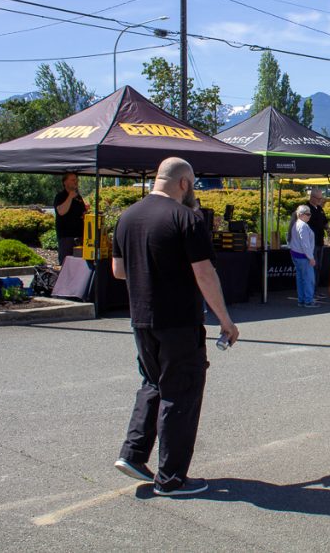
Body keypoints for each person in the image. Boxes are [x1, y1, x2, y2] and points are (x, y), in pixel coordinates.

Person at [111, 157, 239, 497]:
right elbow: (204, 273)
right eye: (192, 185)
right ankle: (171, 478)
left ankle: (133, 453)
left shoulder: (127, 217)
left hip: (141, 317)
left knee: (153, 383)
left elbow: (118, 271)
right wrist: (225, 321)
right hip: (179, 320)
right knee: (181, 394)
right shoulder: (187, 219)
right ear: (184, 183)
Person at [288, 204, 320, 308]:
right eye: (308, 214)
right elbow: (305, 244)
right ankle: (308, 301)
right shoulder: (303, 225)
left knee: (301, 279)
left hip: (296, 255)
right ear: (301, 215)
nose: (309, 216)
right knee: (308, 279)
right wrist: (311, 258)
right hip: (303, 257)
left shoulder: (296, 223)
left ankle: (302, 300)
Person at [53, 172, 87, 265]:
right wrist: (70, 197)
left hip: (79, 236)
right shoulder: (60, 196)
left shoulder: (78, 197)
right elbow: (61, 211)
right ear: (65, 182)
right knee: (66, 264)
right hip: (66, 237)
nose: (75, 182)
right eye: (73, 180)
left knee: (79, 264)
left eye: (76, 180)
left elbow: (83, 213)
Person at [306, 189, 330, 301]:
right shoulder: (306, 209)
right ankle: (310, 291)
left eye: (321, 198)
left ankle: (315, 290)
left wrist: (328, 228)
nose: (321, 201)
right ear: (312, 197)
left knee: (318, 267)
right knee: (312, 267)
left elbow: (325, 221)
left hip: (320, 242)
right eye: (319, 198)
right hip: (311, 243)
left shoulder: (320, 208)